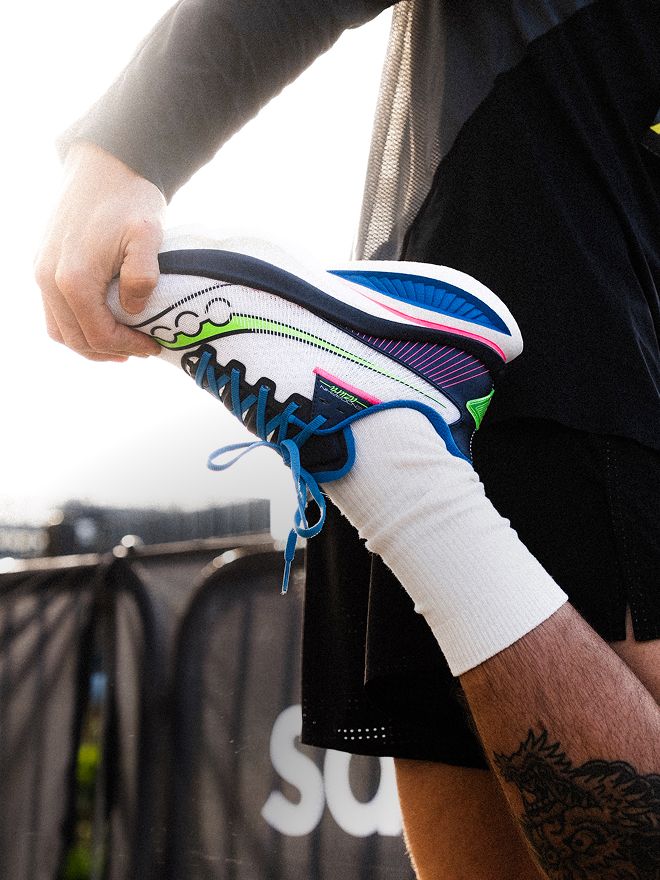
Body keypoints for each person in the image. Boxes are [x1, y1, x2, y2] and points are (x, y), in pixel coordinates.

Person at [35, 1, 660, 878]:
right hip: (564, 278)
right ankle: (396, 464)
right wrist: (131, 145)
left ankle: (385, 455)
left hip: (482, 304)